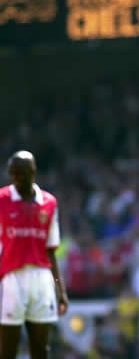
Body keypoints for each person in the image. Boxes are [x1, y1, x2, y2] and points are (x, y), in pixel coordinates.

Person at [0, 150, 69, 359]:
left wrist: (60, 289)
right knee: (8, 350)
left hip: (42, 280)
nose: (15, 179)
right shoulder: (2, 199)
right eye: (12, 174)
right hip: (12, 279)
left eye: (20, 174)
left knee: (41, 349)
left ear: (33, 172)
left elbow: (51, 250)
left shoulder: (49, 203)